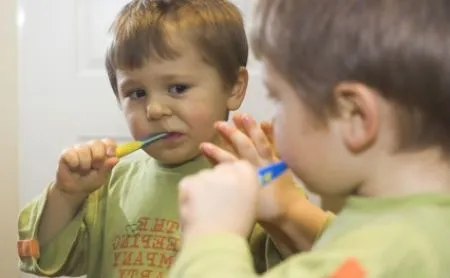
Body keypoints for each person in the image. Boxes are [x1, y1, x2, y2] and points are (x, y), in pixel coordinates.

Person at [17, 1, 331, 277]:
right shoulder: (108, 184)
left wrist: (282, 215)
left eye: (178, 87)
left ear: (234, 87)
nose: (154, 109)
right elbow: (39, 256)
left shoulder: (259, 182)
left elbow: (326, 263)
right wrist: (67, 194)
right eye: (136, 93)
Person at [169, 0, 450, 277]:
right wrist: (289, 210)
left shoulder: (375, 257)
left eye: (280, 99)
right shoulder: (422, 230)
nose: (276, 122)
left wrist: (211, 237)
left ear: (354, 115)